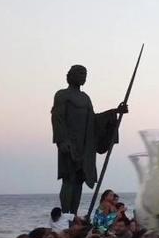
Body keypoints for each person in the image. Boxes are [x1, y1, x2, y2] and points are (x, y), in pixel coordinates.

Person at [51, 64, 127, 214]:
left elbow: (93, 120)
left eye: (85, 74)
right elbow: (57, 118)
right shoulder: (62, 95)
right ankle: (66, 214)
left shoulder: (85, 98)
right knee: (69, 179)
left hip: (84, 146)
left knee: (79, 180)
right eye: (80, 73)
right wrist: (62, 141)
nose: (83, 76)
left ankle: (73, 214)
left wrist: (114, 112)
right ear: (70, 75)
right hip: (69, 143)